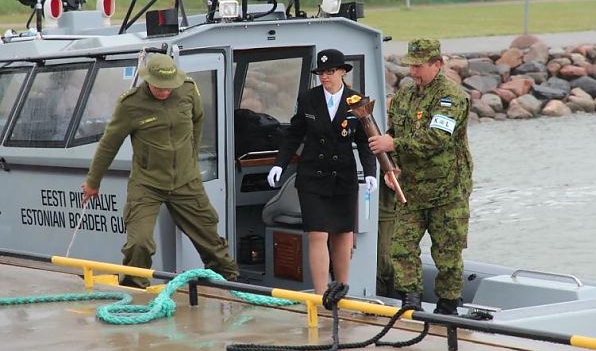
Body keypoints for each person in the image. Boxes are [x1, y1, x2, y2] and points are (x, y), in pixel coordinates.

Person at [82, 53, 239, 288]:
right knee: (140, 243)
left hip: (186, 180)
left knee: (210, 238)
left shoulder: (187, 90)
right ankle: (135, 286)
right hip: (147, 183)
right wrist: (93, 182)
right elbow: (109, 144)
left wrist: (191, 157)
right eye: (160, 88)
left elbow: (198, 120)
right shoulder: (131, 104)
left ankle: (229, 284)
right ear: (148, 81)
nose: (165, 92)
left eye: (169, 87)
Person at [368, 39, 473, 314]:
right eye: (411, 66)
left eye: (419, 66)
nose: (413, 72)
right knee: (401, 247)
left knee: (447, 253)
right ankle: (410, 301)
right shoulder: (405, 95)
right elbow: (394, 130)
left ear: (437, 64)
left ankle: (448, 306)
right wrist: (391, 166)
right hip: (411, 189)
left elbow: (437, 138)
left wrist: (393, 145)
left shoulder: (450, 96)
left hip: (446, 191)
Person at [267, 49, 377, 294]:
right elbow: (294, 134)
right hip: (313, 177)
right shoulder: (308, 98)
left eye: (330, 72)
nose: (325, 77)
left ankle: (341, 290)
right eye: (321, 73)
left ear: (342, 72)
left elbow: (365, 140)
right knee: (316, 234)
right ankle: (320, 295)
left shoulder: (357, 101)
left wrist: (371, 172)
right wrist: (279, 163)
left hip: (343, 176)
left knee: (341, 234)